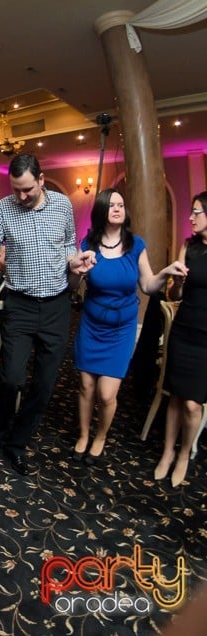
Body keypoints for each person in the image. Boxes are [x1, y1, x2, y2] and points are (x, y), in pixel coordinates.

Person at [0, 154, 95, 475]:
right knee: (12, 378)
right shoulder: (3, 209)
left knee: (44, 385)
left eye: (27, 189)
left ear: (41, 180)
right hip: (20, 305)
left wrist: (73, 262)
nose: (21, 196)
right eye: (16, 189)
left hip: (57, 306)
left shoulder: (62, 205)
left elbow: (68, 244)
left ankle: (17, 444)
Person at [72, 190, 186, 466]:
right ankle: (84, 435)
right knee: (86, 386)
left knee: (106, 394)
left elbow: (147, 285)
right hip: (91, 326)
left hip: (121, 330)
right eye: (111, 205)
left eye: (121, 205)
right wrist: (78, 272)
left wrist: (164, 273)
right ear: (101, 210)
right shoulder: (88, 243)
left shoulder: (135, 245)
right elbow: (74, 286)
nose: (117, 209)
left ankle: (100, 436)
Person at [155, 191, 207, 487]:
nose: (191, 217)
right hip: (184, 330)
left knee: (192, 404)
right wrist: (176, 283)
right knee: (175, 396)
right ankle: (167, 452)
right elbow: (175, 294)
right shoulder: (189, 246)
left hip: (206, 340)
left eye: (196, 212)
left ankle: (185, 453)